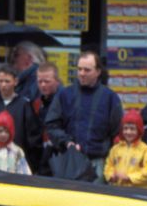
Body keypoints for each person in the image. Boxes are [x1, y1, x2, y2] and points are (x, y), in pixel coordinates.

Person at [44, 51, 123, 183]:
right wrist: (67, 142)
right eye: (79, 69)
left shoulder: (110, 97)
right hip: (70, 162)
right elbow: (51, 125)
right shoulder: (65, 94)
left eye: (87, 70)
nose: (81, 73)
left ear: (98, 72)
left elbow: (116, 131)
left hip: (98, 164)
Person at [0, 64, 42, 169]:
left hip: (16, 162)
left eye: (7, 81)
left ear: (16, 81)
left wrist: (32, 165)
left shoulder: (24, 105)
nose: (3, 85)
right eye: (0, 81)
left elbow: (33, 139)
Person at [104, 109, 147, 189]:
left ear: (138, 130)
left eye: (132, 129)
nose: (128, 132)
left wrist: (129, 178)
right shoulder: (116, 149)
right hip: (119, 190)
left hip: (139, 192)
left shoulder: (145, 150)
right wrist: (111, 176)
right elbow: (109, 165)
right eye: (125, 128)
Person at [32, 62, 61, 175]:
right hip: (42, 157)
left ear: (57, 81)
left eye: (47, 81)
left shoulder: (65, 101)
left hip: (58, 157)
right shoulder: (37, 103)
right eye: (40, 81)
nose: (43, 85)